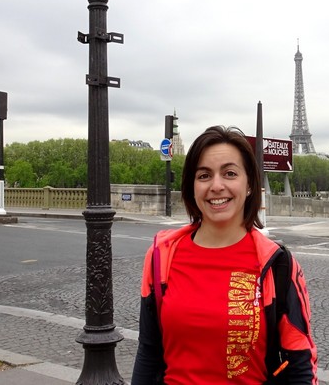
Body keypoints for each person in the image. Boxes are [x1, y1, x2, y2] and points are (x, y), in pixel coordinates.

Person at [131, 125, 318, 385]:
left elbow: (299, 366)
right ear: (192, 186)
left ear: (250, 185)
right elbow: (149, 352)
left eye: (229, 173)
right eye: (204, 175)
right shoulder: (161, 257)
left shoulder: (279, 265)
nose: (217, 186)